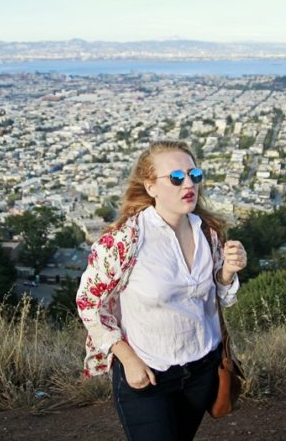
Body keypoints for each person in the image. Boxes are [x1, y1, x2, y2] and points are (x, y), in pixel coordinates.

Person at [76, 140, 247, 441]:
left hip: (201, 369)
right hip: (148, 372)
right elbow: (89, 302)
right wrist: (127, 359)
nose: (189, 184)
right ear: (151, 186)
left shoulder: (208, 233)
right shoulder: (125, 241)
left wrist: (227, 273)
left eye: (194, 174)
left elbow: (220, 298)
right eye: (177, 178)